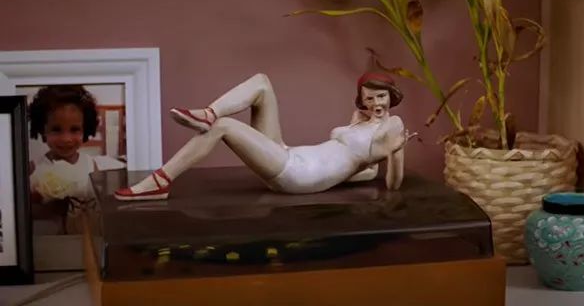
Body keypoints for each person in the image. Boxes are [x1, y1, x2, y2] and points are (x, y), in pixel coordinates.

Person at [115, 72, 416, 201]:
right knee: (262, 83)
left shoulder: (393, 126)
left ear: (392, 96)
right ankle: (208, 112)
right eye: (369, 98)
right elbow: (361, 170)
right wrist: (357, 157)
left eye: (381, 97)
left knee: (224, 126)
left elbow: (393, 183)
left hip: (298, 175)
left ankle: (159, 182)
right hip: (289, 155)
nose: (376, 103)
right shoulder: (360, 123)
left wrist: (395, 153)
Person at [27, 85, 101, 234]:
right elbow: (25, 211)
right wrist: (44, 206)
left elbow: (99, 201)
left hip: (85, 234)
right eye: (56, 129)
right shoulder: (34, 168)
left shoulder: (90, 164)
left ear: (85, 129)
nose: (66, 139)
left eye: (74, 129)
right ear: (42, 129)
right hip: (50, 238)